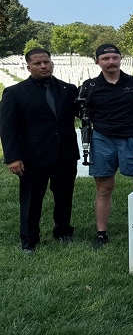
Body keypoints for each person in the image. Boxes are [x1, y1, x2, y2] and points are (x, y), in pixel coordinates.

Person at [0, 48, 79, 253]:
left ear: (52, 63)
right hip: (33, 156)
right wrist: (13, 157)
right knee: (32, 198)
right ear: (28, 66)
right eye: (37, 63)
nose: (43, 66)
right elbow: (8, 128)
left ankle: (62, 231)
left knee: (64, 195)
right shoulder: (15, 93)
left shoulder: (68, 89)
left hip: (65, 153)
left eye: (46, 62)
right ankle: (29, 240)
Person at [84, 44, 133, 248]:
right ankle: (101, 233)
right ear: (97, 61)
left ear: (121, 59)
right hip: (102, 139)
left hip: (132, 137)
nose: (111, 62)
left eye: (115, 57)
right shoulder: (90, 86)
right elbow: (82, 113)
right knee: (104, 187)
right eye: (105, 59)